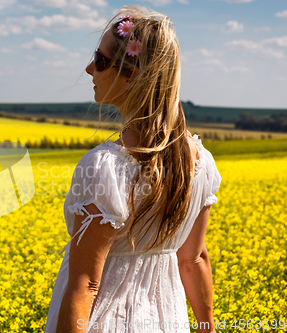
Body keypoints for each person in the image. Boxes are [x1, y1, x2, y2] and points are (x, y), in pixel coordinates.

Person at [44, 5, 221, 333]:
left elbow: (86, 286)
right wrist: (207, 327)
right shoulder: (201, 165)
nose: (88, 69)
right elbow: (193, 261)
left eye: (100, 60)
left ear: (133, 74)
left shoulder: (106, 168)